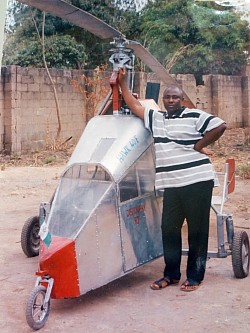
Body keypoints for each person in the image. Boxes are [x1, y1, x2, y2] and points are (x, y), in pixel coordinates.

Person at [117, 67, 227, 292]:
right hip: (172, 184)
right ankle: (171, 275)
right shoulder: (155, 118)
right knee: (169, 229)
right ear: (163, 100)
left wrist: (199, 146)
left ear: (182, 99)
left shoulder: (194, 115)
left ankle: (195, 276)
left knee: (197, 231)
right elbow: (134, 105)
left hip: (197, 181)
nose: (170, 100)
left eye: (175, 97)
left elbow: (220, 125)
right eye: (167, 97)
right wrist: (122, 83)